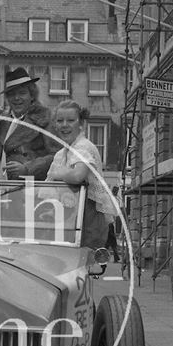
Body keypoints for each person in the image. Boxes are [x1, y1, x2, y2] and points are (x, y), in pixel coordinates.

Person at [46, 100, 115, 249]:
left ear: (80, 123)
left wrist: (59, 172)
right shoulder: (61, 154)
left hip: (88, 218)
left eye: (71, 120)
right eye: (60, 120)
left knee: (82, 265)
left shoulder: (83, 146)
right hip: (70, 217)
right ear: (55, 125)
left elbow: (78, 176)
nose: (65, 125)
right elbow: (46, 188)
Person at [0, 67, 59, 180]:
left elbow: (58, 156)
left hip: (31, 187)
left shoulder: (44, 119)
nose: (17, 98)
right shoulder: (1, 121)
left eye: (22, 93)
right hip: (0, 186)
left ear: (32, 96)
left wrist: (28, 169)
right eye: (11, 94)